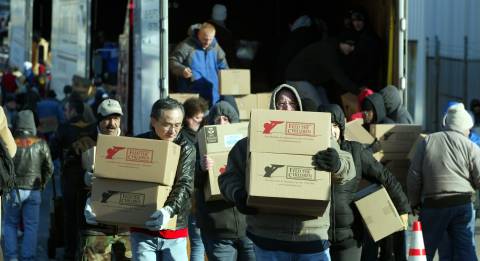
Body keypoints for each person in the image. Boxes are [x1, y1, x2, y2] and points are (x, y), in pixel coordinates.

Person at [219, 84, 356, 261]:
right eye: (281, 103)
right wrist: (238, 194)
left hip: (310, 237)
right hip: (267, 239)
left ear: (298, 107)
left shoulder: (320, 138)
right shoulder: (249, 143)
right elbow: (227, 179)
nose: (286, 107)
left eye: (291, 103)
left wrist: (337, 163)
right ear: (273, 107)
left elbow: (349, 168)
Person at [318, 104, 410, 261]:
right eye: (326, 125)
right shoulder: (311, 154)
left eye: (335, 125)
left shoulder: (355, 151)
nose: (331, 130)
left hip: (350, 237)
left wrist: (402, 209)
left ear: (341, 127)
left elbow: (385, 176)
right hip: (318, 238)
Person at [408, 102, 480, 261]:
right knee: (466, 249)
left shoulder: (427, 141)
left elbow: (414, 175)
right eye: (468, 128)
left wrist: (414, 202)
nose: (469, 132)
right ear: (462, 127)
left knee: (424, 250)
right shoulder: (471, 147)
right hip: (462, 205)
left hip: (434, 205)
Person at [130, 98, 196, 260]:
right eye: (167, 124)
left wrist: (168, 210)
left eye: (177, 125)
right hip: (142, 228)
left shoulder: (186, 148)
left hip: (175, 230)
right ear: (153, 121)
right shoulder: (140, 143)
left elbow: (185, 184)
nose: (173, 131)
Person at [196, 101, 255, 261]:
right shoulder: (199, 146)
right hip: (217, 229)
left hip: (248, 227)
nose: (222, 123)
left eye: (226, 119)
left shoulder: (248, 146)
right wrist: (200, 168)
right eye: (217, 120)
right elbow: (191, 183)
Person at [81, 99, 131, 260]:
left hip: (125, 224)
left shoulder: (131, 143)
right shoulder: (83, 144)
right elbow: (69, 181)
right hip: (96, 225)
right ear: (98, 119)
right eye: (107, 118)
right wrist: (84, 179)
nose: (112, 124)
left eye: (116, 118)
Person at [50, 97, 97, 260]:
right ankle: (86, 250)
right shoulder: (93, 128)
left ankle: (70, 252)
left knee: (70, 216)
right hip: (90, 177)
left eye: (66, 109)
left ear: (72, 111)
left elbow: (53, 152)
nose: (64, 112)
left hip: (69, 177)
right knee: (87, 215)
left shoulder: (64, 128)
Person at [3, 110, 54, 261]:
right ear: (32, 124)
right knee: (31, 226)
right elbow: (49, 168)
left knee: (10, 224)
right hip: (33, 190)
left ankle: (12, 257)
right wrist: (42, 183)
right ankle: (28, 257)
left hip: (13, 191)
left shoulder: (9, 143)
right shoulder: (41, 143)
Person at [285, 31, 362, 108]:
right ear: (341, 42)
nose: (352, 48)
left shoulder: (338, 52)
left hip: (313, 82)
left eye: (353, 45)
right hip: (297, 78)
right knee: (318, 109)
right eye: (350, 45)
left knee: (327, 108)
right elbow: (338, 76)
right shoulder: (328, 50)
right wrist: (358, 92)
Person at [170, 22, 229, 106]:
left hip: (214, 95)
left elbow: (224, 69)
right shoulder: (187, 45)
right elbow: (173, 61)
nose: (207, 42)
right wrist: (182, 70)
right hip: (192, 95)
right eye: (205, 39)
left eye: (210, 39)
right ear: (198, 35)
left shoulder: (216, 47)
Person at [180, 97, 209, 261]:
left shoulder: (199, 135)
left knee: (198, 244)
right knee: (197, 244)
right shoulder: (186, 138)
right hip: (192, 198)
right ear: (187, 118)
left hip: (197, 197)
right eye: (198, 118)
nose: (201, 121)